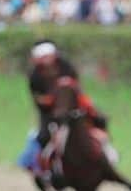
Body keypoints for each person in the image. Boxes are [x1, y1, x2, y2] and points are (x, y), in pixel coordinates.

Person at [18, 40, 109, 174]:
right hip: (49, 113)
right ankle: (47, 167)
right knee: (43, 136)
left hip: (75, 107)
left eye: (49, 56)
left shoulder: (66, 67)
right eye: (44, 57)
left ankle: (106, 154)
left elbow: (77, 87)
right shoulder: (35, 76)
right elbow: (38, 100)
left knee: (100, 119)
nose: (47, 60)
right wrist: (52, 101)